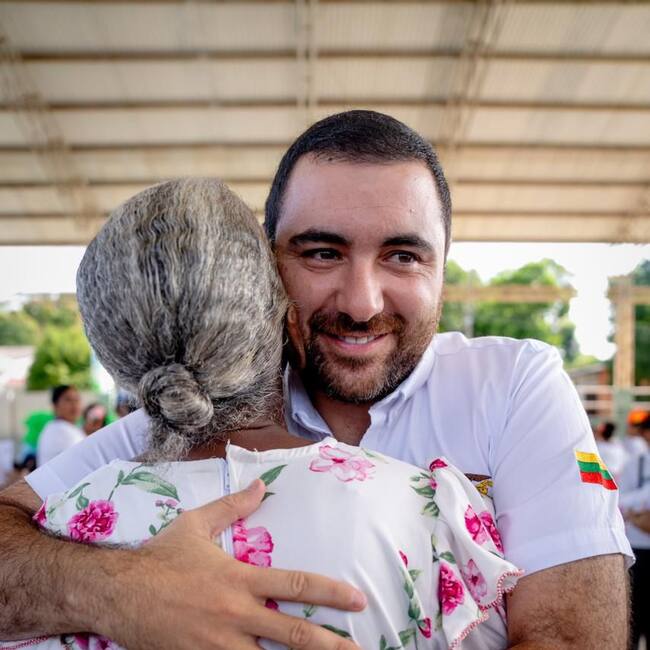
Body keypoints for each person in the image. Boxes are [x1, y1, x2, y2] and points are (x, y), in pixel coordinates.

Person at [0, 110, 632, 649]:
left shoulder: (512, 384)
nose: (361, 303)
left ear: (444, 265)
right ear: (265, 266)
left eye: (402, 256)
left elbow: (576, 638)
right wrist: (127, 590)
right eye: (322, 253)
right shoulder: (197, 405)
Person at [618, 411, 650, 650]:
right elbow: (619, 501)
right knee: (634, 618)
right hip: (639, 551)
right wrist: (638, 516)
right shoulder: (635, 463)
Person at [35, 385, 84, 467]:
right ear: (55, 405)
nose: (74, 404)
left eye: (77, 400)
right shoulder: (59, 431)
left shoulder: (67, 427)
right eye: (68, 400)